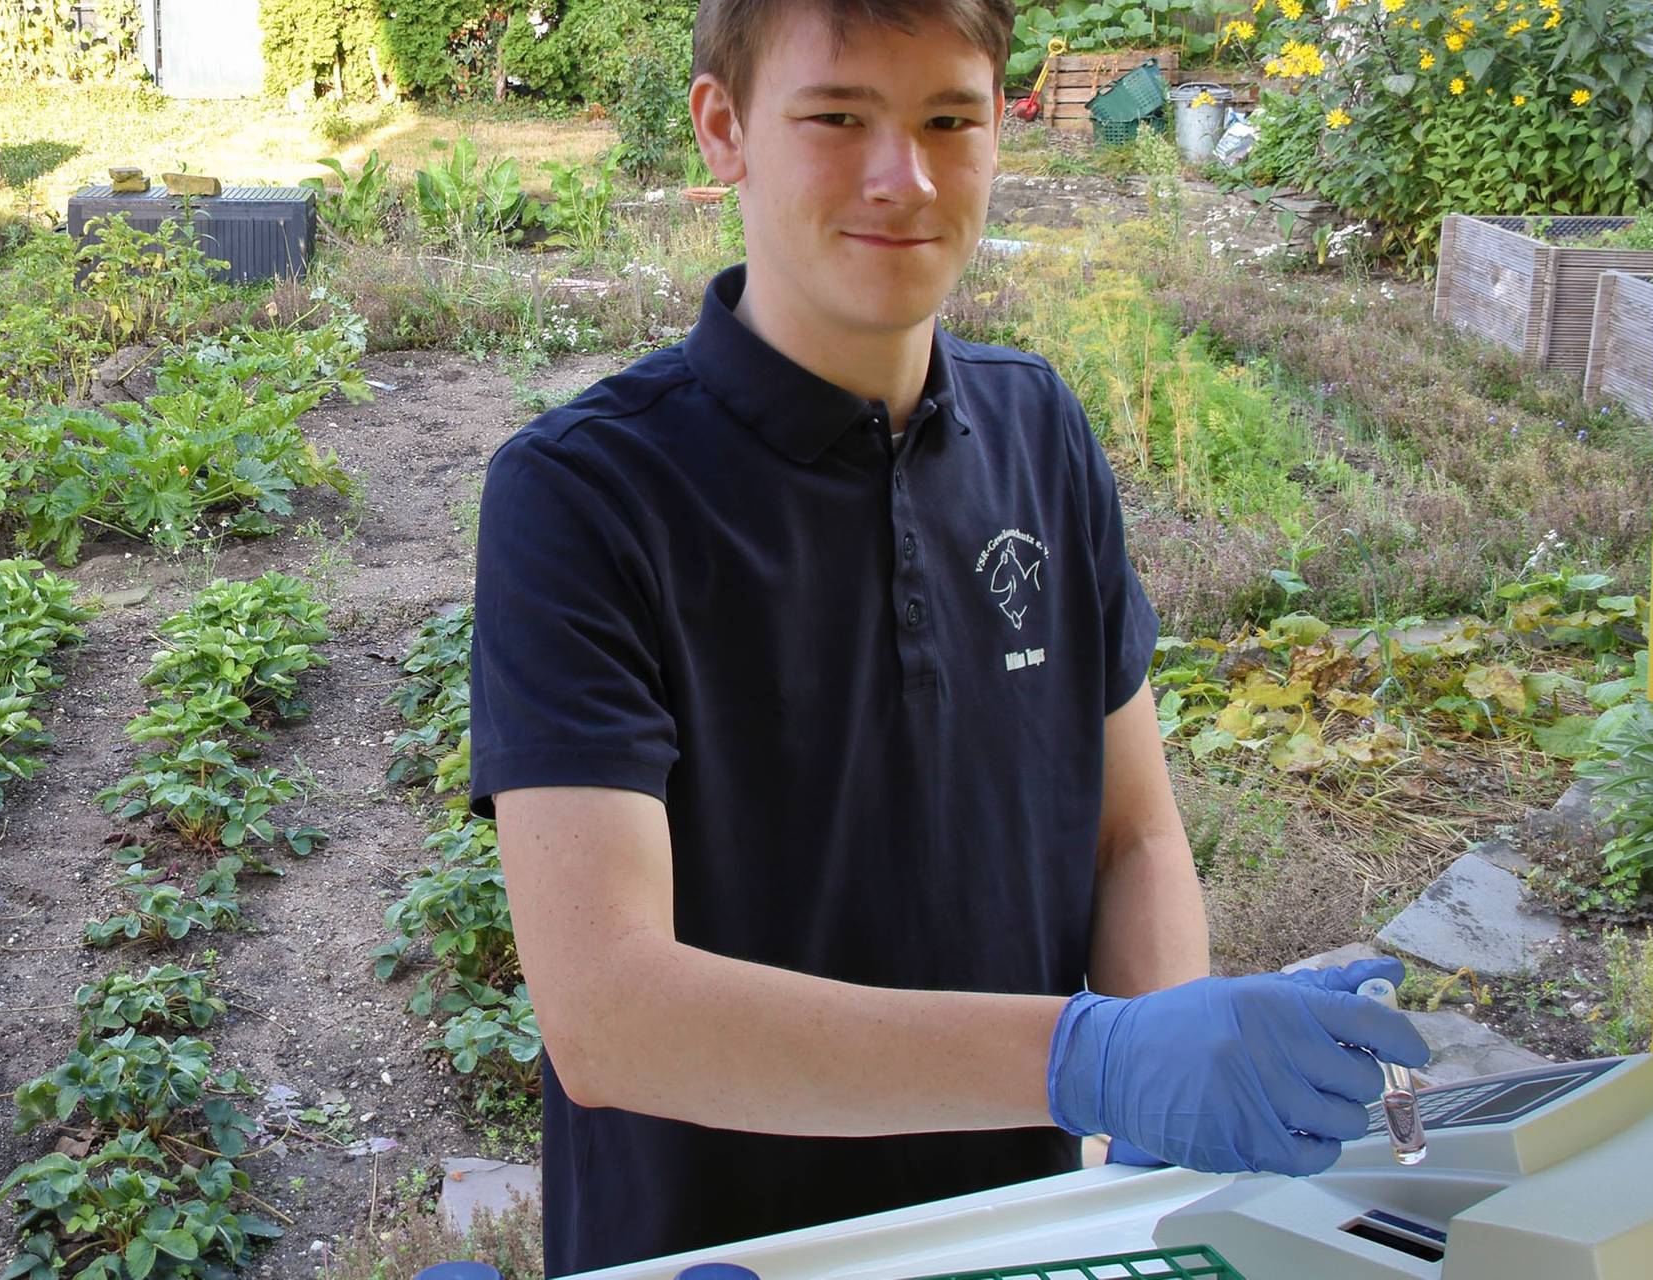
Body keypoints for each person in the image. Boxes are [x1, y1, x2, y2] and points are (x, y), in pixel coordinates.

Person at [463, 0, 1433, 1272]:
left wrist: (1161, 1120)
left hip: (1024, 1234)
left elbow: (1130, 833)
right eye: (838, 117)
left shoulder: (1042, 435)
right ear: (723, 128)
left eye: (946, 119)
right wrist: (1090, 1060)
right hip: (723, 1247)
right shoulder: (586, 496)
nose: (903, 176)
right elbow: (609, 1012)